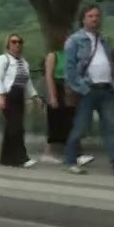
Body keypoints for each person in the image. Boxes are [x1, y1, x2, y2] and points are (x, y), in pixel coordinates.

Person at [62, 5, 114, 177]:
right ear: (83, 19)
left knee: (111, 128)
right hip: (88, 90)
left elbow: (110, 63)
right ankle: (71, 160)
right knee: (80, 127)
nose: (95, 19)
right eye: (90, 16)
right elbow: (70, 70)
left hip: (107, 89)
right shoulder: (74, 40)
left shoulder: (104, 40)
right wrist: (81, 87)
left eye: (97, 16)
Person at [0, 33, 38, 168]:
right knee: (16, 127)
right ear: (8, 44)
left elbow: (28, 81)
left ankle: (6, 158)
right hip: (9, 95)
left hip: (20, 95)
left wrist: (34, 96)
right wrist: (1, 96)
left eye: (20, 42)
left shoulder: (24, 62)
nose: (17, 45)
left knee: (12, 127)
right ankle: (21, 158)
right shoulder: (3, 59)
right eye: (14, 42)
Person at [41, 31, 74, 164]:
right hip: (57, 86)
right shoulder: (53, 55)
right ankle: (48, 152)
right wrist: (52, 96)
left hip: (69, 88)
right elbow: (49, 76)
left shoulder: (72, 56)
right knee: (55, 120)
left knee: (69, 121)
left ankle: (71, 152)